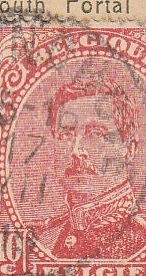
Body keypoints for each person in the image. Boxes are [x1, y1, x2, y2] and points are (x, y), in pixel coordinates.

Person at [31, 73, 146, 260]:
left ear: (129, 149)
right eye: (66, 135)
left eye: (95, 134)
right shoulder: (41, 238)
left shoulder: (141, 238)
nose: (76, 151)